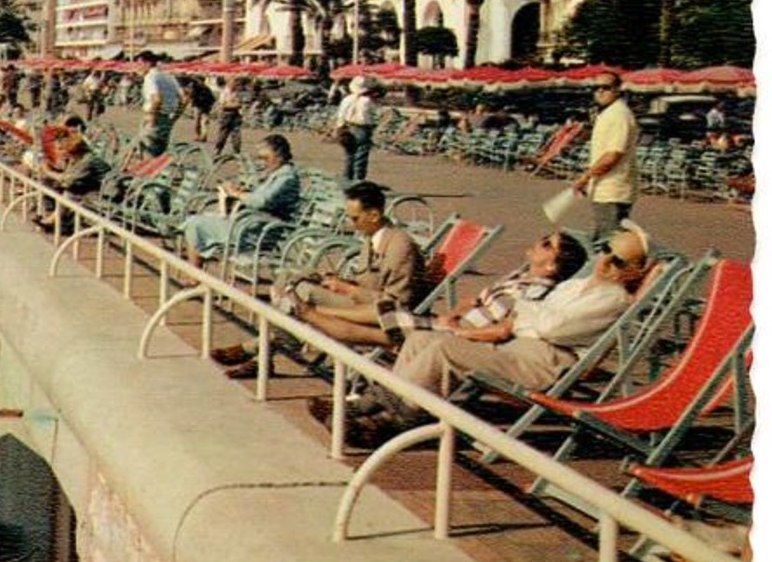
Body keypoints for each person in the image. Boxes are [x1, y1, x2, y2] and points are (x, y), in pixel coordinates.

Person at [316, 226, 649, 447]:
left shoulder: (613, 299)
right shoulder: (575, 285)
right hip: (518, 348)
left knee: (443, 349)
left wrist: (523, 314)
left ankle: (392, 420)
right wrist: (526, 318)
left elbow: (550, 329)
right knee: (419, 340)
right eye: (606, 250)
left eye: (619, 260)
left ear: (631, 270)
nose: (607, 261)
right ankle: (371, 408)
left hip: (542, 363)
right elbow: (534, 320)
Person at [299, 230, 588, 350]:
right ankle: (312, 312)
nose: (540, 242)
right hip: (453, 324)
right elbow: (472, 301)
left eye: (547, 244)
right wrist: (452, 315)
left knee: (384, 325)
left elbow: (503, 331)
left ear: (552, 266)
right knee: (387, 312)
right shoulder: (519, 276)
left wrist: (460, 332)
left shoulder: (537, 293)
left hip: (465, 339)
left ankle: (308, 313)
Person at [276, 180, 428, 315]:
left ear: (374, 216)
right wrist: (340, 281)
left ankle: (280, 339)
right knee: (287, 277)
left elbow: (395, 304)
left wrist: (347, 289)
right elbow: (367, 281)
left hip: (376, 311)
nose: (351, 224)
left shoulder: (399, 247)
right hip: (361, 299)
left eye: (355, 218)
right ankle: (276, 337)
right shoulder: (373, 237)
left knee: (303, 291)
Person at [180, 135, 301, 268]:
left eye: (265, 158)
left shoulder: (286, 177)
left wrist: (237, 193)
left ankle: (195, 278)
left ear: (279, 156)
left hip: (260, 232)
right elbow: (259, 197)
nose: (262, 163)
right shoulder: (276, 173)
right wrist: (240, 191)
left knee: (196, 224)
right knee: (198, 221)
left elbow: (261, 201)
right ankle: (197, 276)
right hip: (251, 224)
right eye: (259, 158)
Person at [571, 73, 638, 240]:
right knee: (603, 238)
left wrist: (585, 177)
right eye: (596, 88)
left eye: (606, 88)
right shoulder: (608, 113)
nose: (600, 92)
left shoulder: (619, 115)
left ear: (617, 90)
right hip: (604, 189)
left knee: (610, 242)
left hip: (613, 190)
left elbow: (613, 154)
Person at [136, 51, 182, 157]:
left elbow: (156, 99)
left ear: (147, 63)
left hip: (155, 118)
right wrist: (176, 116)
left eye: (139, 64)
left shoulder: (151, 77)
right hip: (167, 118)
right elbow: (183, 98)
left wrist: (152, 117)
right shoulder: (169, 77)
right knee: (158, 153)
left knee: (147, 151)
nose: (138, 67)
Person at [334, 76, 377, 181]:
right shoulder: (367, 101)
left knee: (349, 155)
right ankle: (359, 178)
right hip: (362, 128)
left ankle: (347, 177)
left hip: (347, 127)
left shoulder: (347, 99)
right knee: (361, 155)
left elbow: (341, 115)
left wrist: (339, 128)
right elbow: (371, 117)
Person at [211, 78, 245, 157]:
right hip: (226, 115)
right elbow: (223, 105)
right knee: (223, 134)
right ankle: (218, 150)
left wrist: (235, 104)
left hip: (236, 115)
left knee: (236, 134)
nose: (236, 84)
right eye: (234, 82)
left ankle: (237, 152)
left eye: (237, 82)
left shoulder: (237, 92)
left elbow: (241, 103)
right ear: (229, 82)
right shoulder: (224, 92)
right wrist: (235, 105)